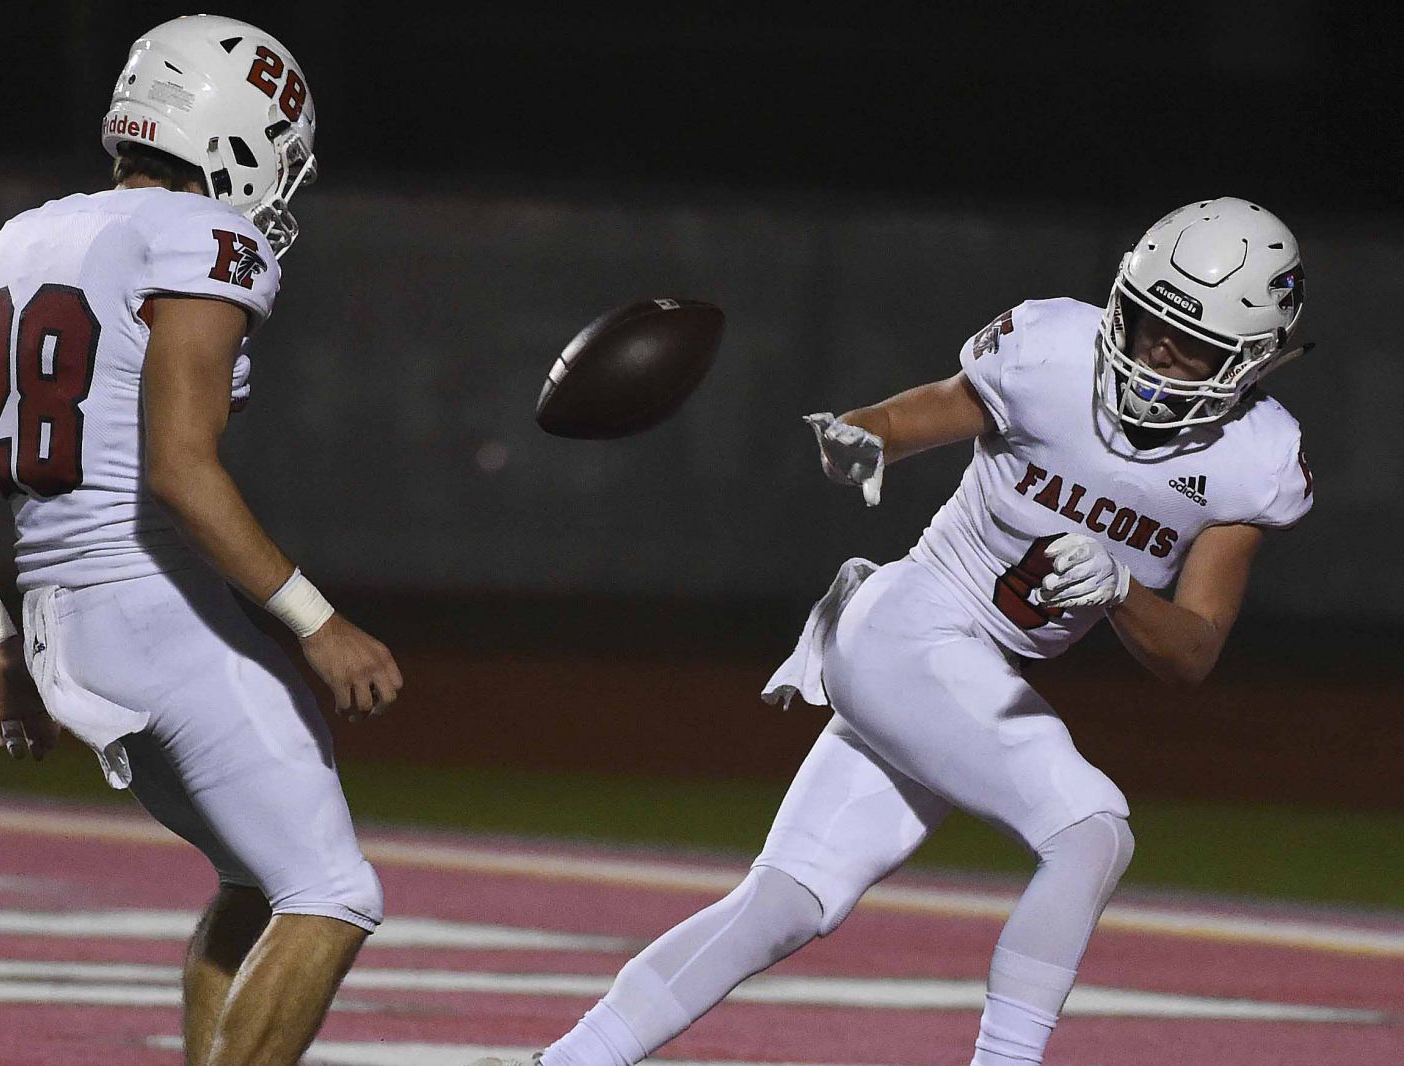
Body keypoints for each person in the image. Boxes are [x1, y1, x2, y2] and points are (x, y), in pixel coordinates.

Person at [472, 197, 1314, 1066]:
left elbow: (1191, 654)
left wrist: (1121, 589)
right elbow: (890, 424)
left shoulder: (1255, 459)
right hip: (911, 619)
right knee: (1091, 829)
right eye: (1145, 323)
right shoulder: (1051, 349)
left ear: (1253, 358)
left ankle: (568, 1061)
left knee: (786, 901)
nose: (1154, 354)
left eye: (1191, 343)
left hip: (964, 673)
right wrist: (857, 440)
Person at [0, 15, 401, 1066]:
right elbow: (180, 467)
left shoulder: (36, 237)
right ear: (239, 135)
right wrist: (317, 619)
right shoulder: (203, 237)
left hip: (59, 616)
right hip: (150, 602)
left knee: (260, 881)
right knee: (332, 892)